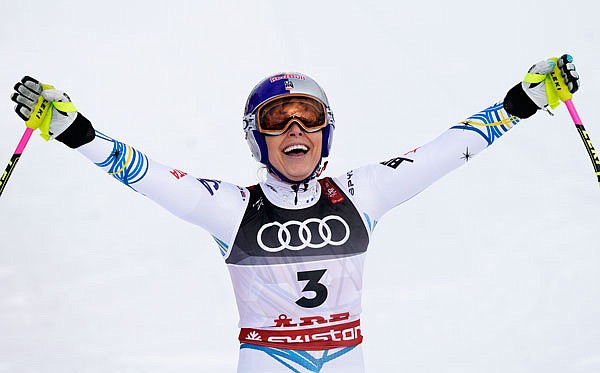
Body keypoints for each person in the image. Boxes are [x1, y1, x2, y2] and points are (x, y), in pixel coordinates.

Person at [10, 55, 580, 372]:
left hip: (346, 358)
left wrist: (523, 101)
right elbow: (145, 173)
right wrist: (73, 131)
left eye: (307, 118)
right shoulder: (232, 209)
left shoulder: (363, 192)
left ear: (325, 133)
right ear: (257, 140)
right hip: (267, 360)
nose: (294, 130)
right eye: (277, 121)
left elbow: (446, 150)